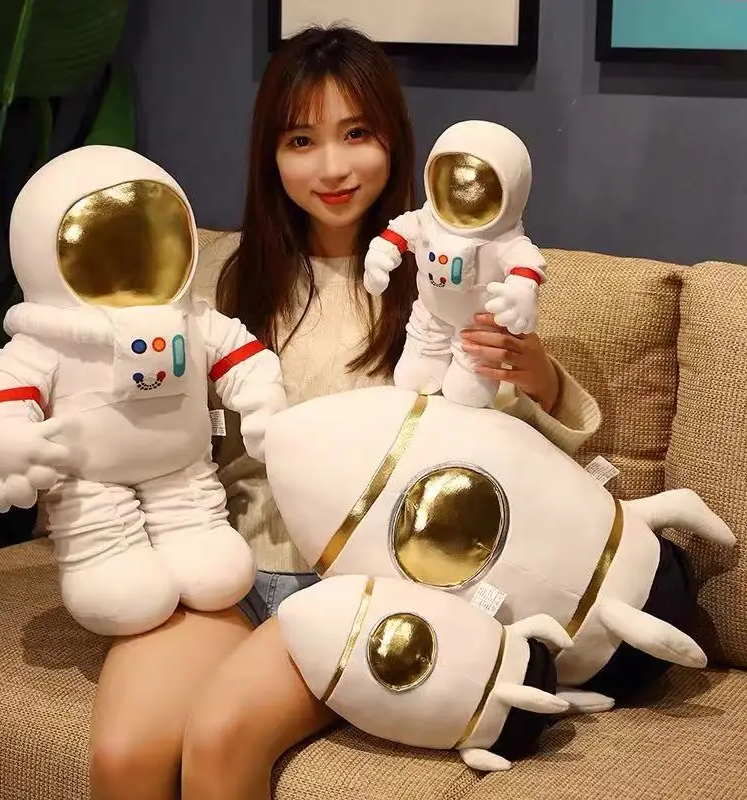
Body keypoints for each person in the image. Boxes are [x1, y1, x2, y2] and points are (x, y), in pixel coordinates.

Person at [89, 24, 601, 800]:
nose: (332, 167)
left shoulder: (446, 279)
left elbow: (507, 471)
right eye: (302, 140)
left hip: (361, 585)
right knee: (124, 754)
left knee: (222, 738)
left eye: (356, 134)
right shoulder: (222, 278)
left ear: (395, 142)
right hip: (225, 566)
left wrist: (539, 377)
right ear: (271, 155)